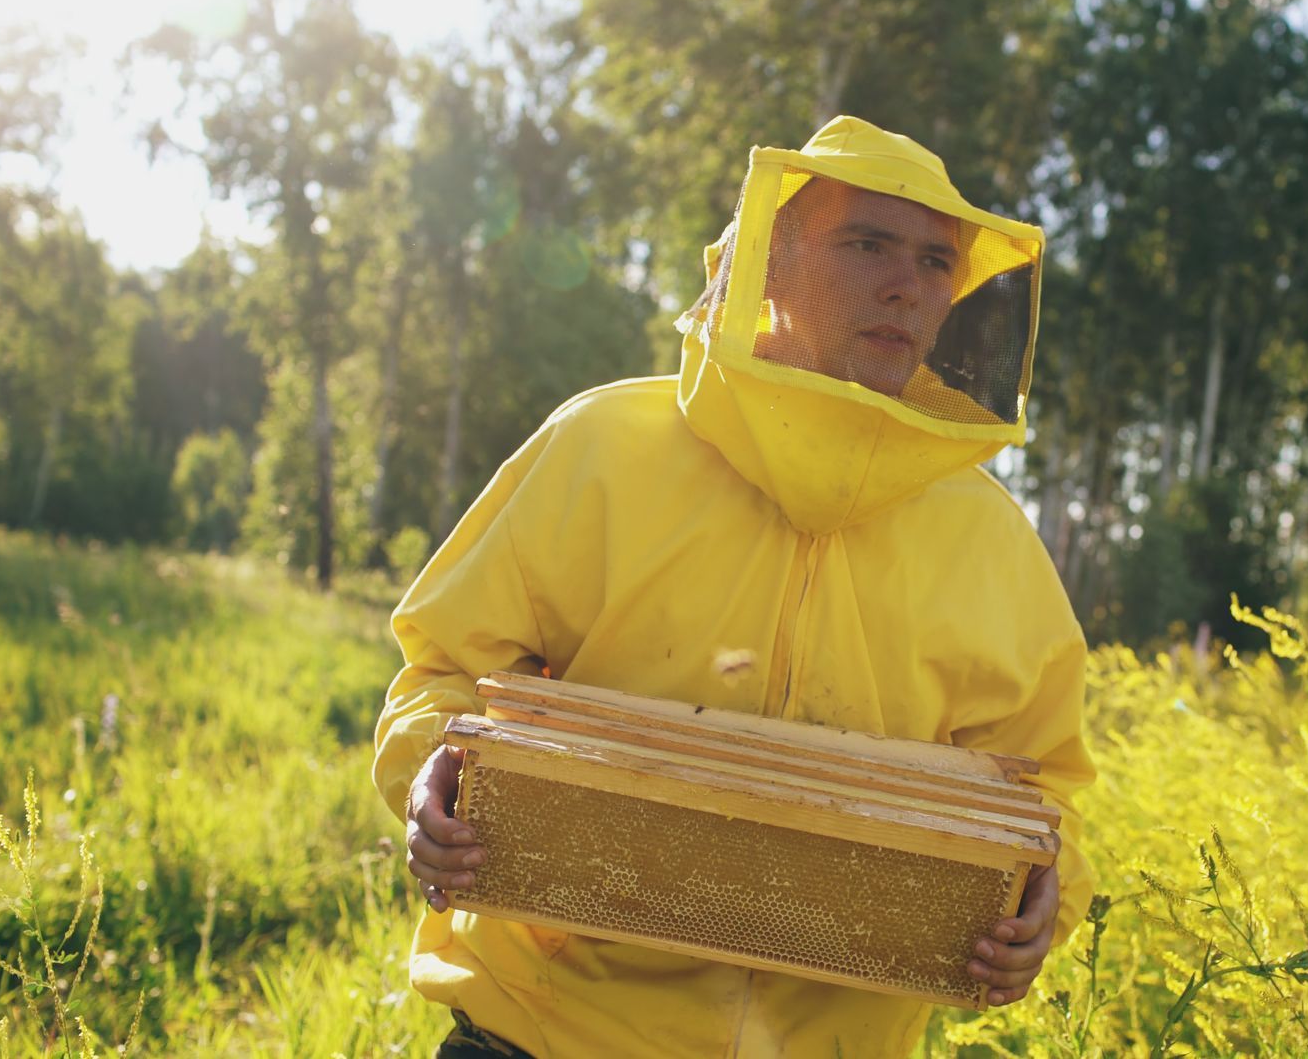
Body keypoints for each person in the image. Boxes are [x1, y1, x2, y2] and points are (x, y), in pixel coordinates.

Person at [372, 116, 1095, 1058]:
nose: (905, 286)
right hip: (544, 1029)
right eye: (866, 242)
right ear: (775, 255)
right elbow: (443, 673)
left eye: (932, 262)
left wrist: (1048, 892)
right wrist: (438, 762)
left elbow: (1046, 798)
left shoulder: (993, 540)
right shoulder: (601, 448)